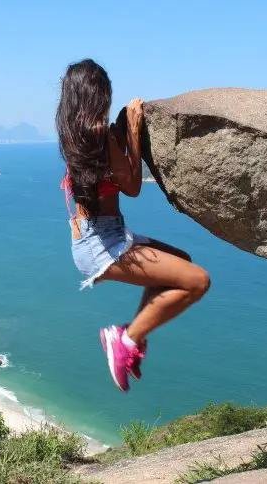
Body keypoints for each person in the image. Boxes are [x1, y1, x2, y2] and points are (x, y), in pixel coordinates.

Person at [56, 59, 211, 391]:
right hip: (103, 244)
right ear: (96, 94)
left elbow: (108, 179)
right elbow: (133, 187)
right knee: (197, 281)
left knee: (180, 261)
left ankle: (132, 336)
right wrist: (134, 131)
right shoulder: (97, 133)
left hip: (96, 236)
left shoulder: (75, 135)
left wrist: (120, 137)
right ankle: (126, 340)